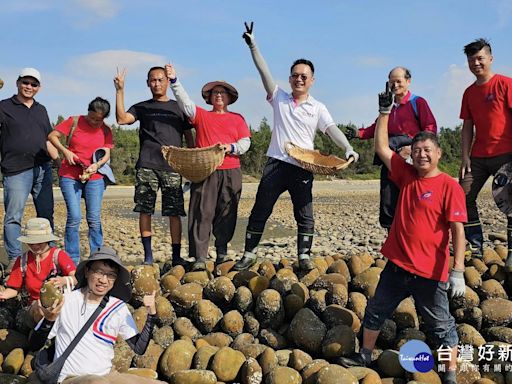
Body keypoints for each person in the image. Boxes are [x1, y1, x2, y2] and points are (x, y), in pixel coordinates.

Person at [340, 84, 467, 384]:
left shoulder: (449, 185)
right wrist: (384, 113)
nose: (422, 155)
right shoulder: (405, 174)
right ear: (412, 154)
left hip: (430, 272)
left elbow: (458, 230)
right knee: (375, 310)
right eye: (417, 150)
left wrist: (458, 270)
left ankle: (449, 373)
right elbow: (382, 148)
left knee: (442, 327)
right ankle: (365, 355)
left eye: (427, 150)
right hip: (397, 265)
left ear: (438, 154)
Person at [234, 22, 359, 271]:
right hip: (276, 163)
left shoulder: (318, 107)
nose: (299, 79)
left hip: (303, 165)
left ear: (312, 80)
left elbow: (331, 129)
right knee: (261, 209)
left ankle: (304, 256)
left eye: (304, 76)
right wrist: (253, 45)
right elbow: (264, 72)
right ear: (290, 78)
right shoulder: (279, 97)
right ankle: (249, 254)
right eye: (295, 75)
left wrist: (348, 148)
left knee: (304, 213)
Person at [166, 64, 251, 271]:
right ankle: (200, 258)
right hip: (204, 170)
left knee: (227, 212)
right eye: (215, 92)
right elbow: (185, 103)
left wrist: (230, 147)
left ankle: (222, 252)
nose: (218, 95)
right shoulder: (201, 115)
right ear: (209, 97)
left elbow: (245, 143)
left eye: (222, 92)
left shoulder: (238, 118)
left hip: (231, 169)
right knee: (201, 212)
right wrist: (175, 81)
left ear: (229, 97)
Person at [29, 246, 156, 383]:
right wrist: (49, 319)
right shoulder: (66, 300)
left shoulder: (118, 307)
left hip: (108, 375)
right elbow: (34, 344)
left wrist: (151, 314)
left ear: (115, 280)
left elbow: (139, 348)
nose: (103, 280)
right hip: (71, 378)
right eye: (99, 272)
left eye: (111, 275)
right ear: (87, 272)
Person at [114, 67, 194, 266]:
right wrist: (119, 90)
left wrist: (192, 161)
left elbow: (189, 137)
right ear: (147, 82)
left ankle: (176, 256)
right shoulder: (142, 107)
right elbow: (122, 119)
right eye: (153, 80)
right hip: (147, 165)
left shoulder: (179, 107)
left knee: (174, 212)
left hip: (173, 166)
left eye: (160, 80)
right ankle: (148, 256)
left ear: (168, 81)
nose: (156, 84)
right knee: (145, 210)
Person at [345, 67, 437, 229]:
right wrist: (358, 133)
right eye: (391, 81)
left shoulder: (418, 102)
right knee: (388, 198)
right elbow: (377, 128)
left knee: (413, 196)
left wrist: (413, 148)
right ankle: (392, 237)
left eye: (398, 81)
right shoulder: (389, 107)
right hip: (389, 157)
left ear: (408, 82)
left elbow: (430, 127)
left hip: (412, 158)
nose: (395, 85)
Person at [459, 38, 512, 268]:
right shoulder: (469, 93)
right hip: (479, 156)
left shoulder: (505, 84)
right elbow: (467, 126)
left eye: (480, 58)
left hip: (506, 154)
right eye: (471, 60)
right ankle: (476, 247)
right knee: (462, 198)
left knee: (510, 203)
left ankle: (511, 252)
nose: (476, 63)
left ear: (490, 59)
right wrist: (464, 156)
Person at [0, 68, 59, 271]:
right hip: (16, 169)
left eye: (34, 84)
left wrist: (62, 159)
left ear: (39, 88)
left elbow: (48, 138)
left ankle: (49, 259)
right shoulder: (4, 106)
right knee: (13, 216)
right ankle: (16, 262)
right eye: (26, 82)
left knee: (46, 215)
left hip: (42, 168)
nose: (29, 87)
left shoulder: (41, 110)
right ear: (17, 82)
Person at [48, 97, 114, 265]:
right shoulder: (74, 121)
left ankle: (97, 257)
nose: (94, 122)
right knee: (74, 217)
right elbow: (52, 136)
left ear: (104, 118)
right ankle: (72, 260)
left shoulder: (106, 130)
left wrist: (96, 165)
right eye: (92, 117)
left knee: (94, 218)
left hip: (94, 177)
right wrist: (65, 152)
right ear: (88, 112)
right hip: (70, 176)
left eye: (98, 120)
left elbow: (106, 153)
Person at [0, 218, 77, 322]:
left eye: (39, 242)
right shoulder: (22, 260)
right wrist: (3, 294)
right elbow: (14, 289)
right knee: (40, 308)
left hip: (58, 304)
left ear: (47, 240)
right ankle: (42, 332)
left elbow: (77, 277)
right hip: (33, 307)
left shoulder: (58, 256)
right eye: (31, 243)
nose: (35, 246)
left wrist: (64, 280)